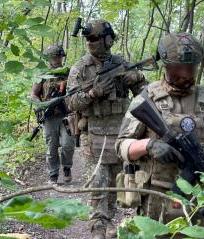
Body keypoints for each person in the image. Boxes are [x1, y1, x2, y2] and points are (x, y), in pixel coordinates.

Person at [115, 32, 204, 238]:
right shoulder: (147, 98)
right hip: (156, 197)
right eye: (179, 67)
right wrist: (149, 145)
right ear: (166, 65)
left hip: (200, 195)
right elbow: (121, 146)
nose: (186, 73)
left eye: (191, 68)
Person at [66, 19, 146, 239]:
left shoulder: (121, 64)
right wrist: (92, 94)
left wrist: (137, 77)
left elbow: (146, 96)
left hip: (121, 134)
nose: (90, 43)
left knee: (114, 183)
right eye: (88, 39)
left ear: (108, 40)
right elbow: (70, 102)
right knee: (97, 183)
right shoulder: (80, 67)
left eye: (94, 38)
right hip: (94, 134)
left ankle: (108, 220)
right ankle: (97, 228)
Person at [29, 44, 75, 185]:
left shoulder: (69, 72)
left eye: (59, 56)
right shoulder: (42, 74)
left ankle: (66, 167)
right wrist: (42, 105)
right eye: (54, 57)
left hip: (67, 114)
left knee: (68, 144)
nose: (57, 59)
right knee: (51, 147)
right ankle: (53, 175)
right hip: (49, 117)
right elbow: (33, 95)